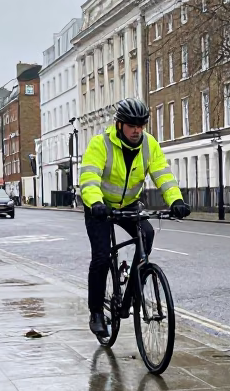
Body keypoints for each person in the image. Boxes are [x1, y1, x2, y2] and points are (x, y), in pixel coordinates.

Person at [81, 98, 191, 337]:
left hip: (129, 205)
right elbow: (89, 178)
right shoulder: (100, 144)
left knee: (147, 234)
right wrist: (96, 203)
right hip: (100, 207)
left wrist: (176, 201)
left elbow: (163, 175)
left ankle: (133, 289)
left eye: (140, 125)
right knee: (101, 256)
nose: (136, 130)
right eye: (131, 125)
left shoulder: (149, 145)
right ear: (119, 125)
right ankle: (96, 312)